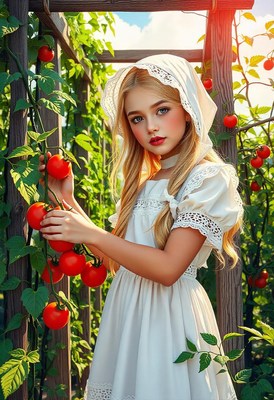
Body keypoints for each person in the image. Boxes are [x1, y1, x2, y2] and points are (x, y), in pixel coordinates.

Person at [40, 54, 243, 400]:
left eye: (162, 110)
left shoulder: (207, 177)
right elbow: (118, 262)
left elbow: (167, 269)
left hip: (171, 322)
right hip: (128, 318)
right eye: (137, 118)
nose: (150, 126)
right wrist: (69, 203)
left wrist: (89, 232)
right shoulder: (143, 182)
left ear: (187, 106)